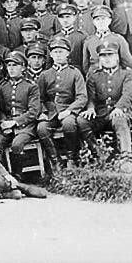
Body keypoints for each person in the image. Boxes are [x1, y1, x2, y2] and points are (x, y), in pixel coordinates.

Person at [79, 41, 132, 173]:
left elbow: (129, 94)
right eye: (103, 56)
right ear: (99, 58)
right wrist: (90, 108)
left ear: (117, 56)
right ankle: (98, 154)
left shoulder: (127, 73)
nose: (107, 59)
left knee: (119, 119)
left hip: (123, 111)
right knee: (82, 121)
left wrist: (119, 107)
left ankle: (126, 159)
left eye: (110, 55)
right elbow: (90, 96)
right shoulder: (94, 75)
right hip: (101, 114)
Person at [36, 36, 88, 171]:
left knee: (69, 123)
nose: (58, 55)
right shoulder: (45, 75)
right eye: (55, 52)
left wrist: (69, 111)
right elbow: (39, 98)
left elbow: (82, 97)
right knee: (42, 128)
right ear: (51, 54)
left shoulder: (75, 73)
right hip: (50, 112)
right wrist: (42, 112)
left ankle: (72, 158)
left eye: (61, 51)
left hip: (68, 110)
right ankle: (55, 160)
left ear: (67, 53)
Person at [0, 51, 40, 178]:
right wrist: (3, 123)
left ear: (23, 67)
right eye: (9, 65)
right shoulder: (3, 87)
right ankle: (4, 174)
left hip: (26, 125)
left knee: (17, 144)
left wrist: (15, 122)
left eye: (15, 65)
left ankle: (19, 175)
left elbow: (33, 111)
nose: (11, 69)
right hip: (7, 124)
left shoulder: (31, 86)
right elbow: (0, 109)